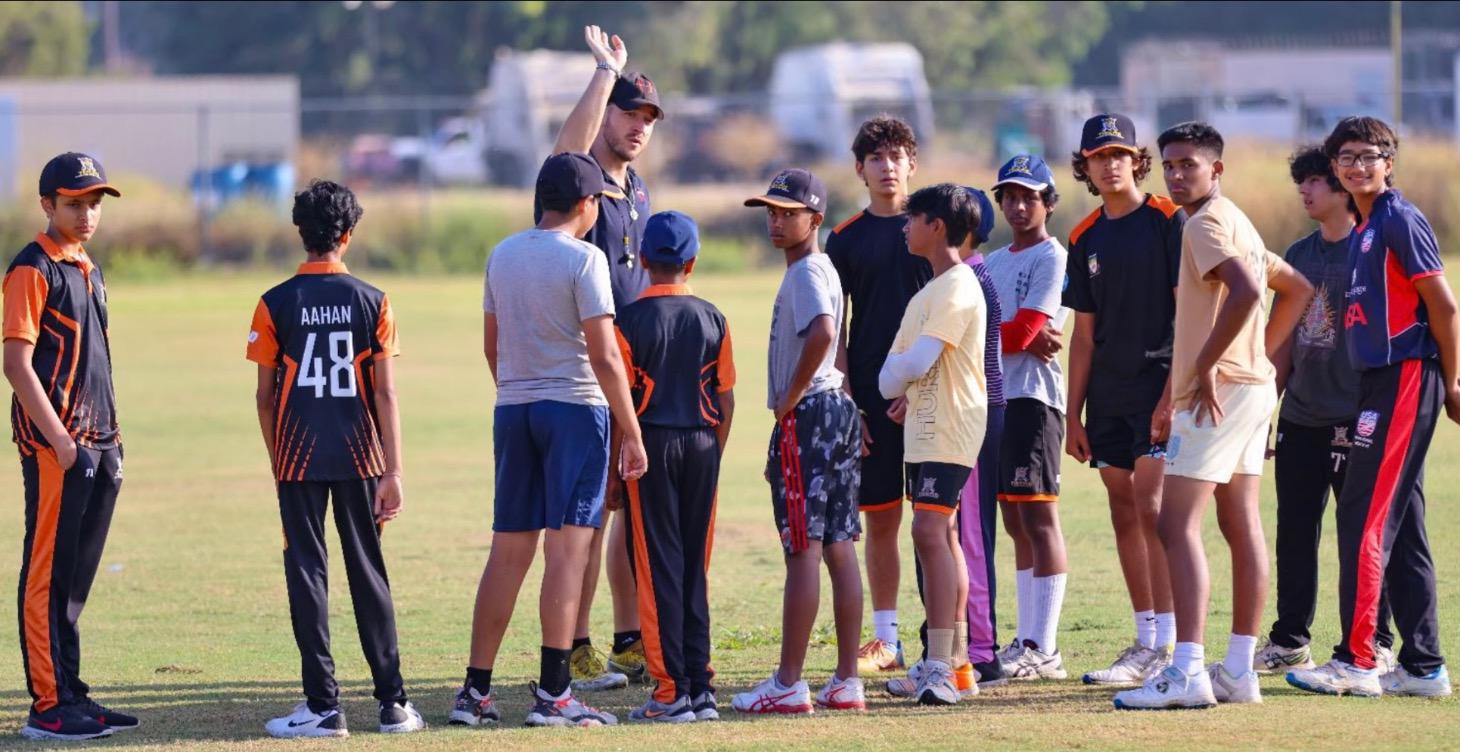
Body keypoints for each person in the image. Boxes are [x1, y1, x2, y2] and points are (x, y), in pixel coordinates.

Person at [1114, 122, 1312, 710]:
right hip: (1250, 389)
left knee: (1175, 526)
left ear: (1215, 170)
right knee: (1240, 523)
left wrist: (1202, 369)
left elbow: (1251, 291)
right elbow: (1296, 288)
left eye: (1189, 165)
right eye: (1170, 165)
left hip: (1217, 394)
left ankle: (1189, 673)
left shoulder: (1204, 223)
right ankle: (1238, 672)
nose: (1177, 175)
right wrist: (1262, 362)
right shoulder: (1237, 219)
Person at [451, 153, 649, 728]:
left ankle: (475, 691)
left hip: (513, 409)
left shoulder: (502, 254)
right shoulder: (586, 259)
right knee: (566, 552)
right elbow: (605, 355)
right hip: (574, 413)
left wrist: (517, 387)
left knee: (508, 552)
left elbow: (492, 344)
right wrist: (630, 431)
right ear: (586, 205)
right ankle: (555, 693)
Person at [246, 180, 427, 737]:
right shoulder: (375, 300)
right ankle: (394, 704)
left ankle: (323, 706)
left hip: (298, 459)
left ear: (301, 233)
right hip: (362, 457)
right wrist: (393, 471)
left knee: (307, 574)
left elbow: (264, 394)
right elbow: (385, 393)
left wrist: (281, 459)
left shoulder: (274, 301)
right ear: (348, 235)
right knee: (368, 573)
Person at [1288, 116, 1456, 699]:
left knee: (1363, 515)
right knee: (1402, 522)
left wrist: (1453, 382)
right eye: (1347, 158)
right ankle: (1424, 665)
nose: (1358, 166)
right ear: (1334, 166)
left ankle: (1358, 660)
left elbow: (1445, 307)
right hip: (1378, 382)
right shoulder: (1363, 228)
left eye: (1370, 155)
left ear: (1390, 161)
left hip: (1406, 376)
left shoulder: (1398, 219)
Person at [544, 26, 665, 689]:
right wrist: (602, 73)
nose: (638, 125)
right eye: (628, 111)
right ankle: (577, 644)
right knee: (585, 517)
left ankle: (625, 639)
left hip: (634, 369)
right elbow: (564, 149)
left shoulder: (639, 190)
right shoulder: (583, 178)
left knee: (623, 509)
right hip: (585, 369)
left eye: (648, 116)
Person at [3, 153, 134, 741]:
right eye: (74, 203)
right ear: (47, 205)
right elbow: (16, 363)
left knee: (76, 575)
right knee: (47, 573)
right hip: (61, 446)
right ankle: (49, 707)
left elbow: (95, 363)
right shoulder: (33, 267)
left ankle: (74, 693)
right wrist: (59, 440)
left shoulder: (86, 266)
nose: (86, 214)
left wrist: (112, 439)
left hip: (100, 443)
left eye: (94, 204)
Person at [1256, 146, 1396, 675]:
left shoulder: (1371, 247)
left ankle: (1374, 643)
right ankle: (1290, 639)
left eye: (1315, 181)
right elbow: (1282, 343)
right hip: (1301, 417)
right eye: (1303, 183)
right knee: (1293, 530)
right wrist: (1265, 411)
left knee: (1360, 533)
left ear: (1342, 186)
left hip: (1356, 415)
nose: (1305, 191)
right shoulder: (1299, 253)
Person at [732, 169, 866, 714]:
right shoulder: (822, 268)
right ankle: (846, 680)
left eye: (788, 212)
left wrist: (789, 397)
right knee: (837, 544)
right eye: (771, 210)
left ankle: (789, 682)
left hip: (810, 411)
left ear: (815, 218)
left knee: (803, 550)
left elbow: (826, 333)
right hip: (836, 408)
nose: (776, 219)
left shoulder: (806, 272)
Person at [1063, 114, 1185, 685]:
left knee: (1154, 507)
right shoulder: (1084, 236)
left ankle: (1170, 644)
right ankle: (1145, 637)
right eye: (1098, 155)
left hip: (1159, 387)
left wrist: (1170, 396)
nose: (1110, 164)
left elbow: (1188, 316)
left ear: (1136, 159)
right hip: (1107, 396)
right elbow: (1083, 335)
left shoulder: (1167, 220)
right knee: (1122, 510)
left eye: (1119, 153)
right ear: (1084, 165)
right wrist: (1072, 415)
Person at [615, 211, 736, 723]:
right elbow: (726, 399)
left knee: (655, 564)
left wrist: (617, 468)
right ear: (693, 260)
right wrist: (714, 450)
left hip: (651, 445)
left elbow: (618, 402)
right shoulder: (713, 317)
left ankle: (672, 693)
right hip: (704, 443)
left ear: (643, 260)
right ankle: (701, 686)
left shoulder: (626, 320)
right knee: (693, 567)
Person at [825, 115, 928, 675]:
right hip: (870, 399)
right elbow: (834, 328)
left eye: (897, 156)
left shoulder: (934, 225)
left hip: (932, 396)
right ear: (859, 168)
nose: (887, 168)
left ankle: (945, 637)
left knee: (937, 521)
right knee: (883, 518)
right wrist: (848, 398)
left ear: (912, 163)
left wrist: (921, 386)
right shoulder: (843, 239)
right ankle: (886, 639)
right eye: (876, 159)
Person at [879, 183, 989, 706]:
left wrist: (901, 374)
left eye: (913, 218)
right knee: (939, 535)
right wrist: (900, 374)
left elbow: (912, 364)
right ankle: (957, 662)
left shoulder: (957, 286)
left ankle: (939, 665)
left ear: (937, 226)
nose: (906, 227)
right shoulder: (927, 291)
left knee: (928, 531)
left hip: (950, 427)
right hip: (922, 430)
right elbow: (887, 380)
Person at [984, 155, 1072, 681]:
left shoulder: (1051, 257)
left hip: (1034, 399)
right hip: (999, 395)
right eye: (1009, 198)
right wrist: (1011, 331)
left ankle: (1047, 646)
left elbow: (1025, 332)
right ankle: (1027, 638)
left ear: (1048, 203)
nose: (1018, 206)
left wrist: (1008, 331)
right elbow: (1010, 333)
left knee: (1039, 518)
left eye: (1029, 197)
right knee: (1015, 520)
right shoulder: (994, 262)